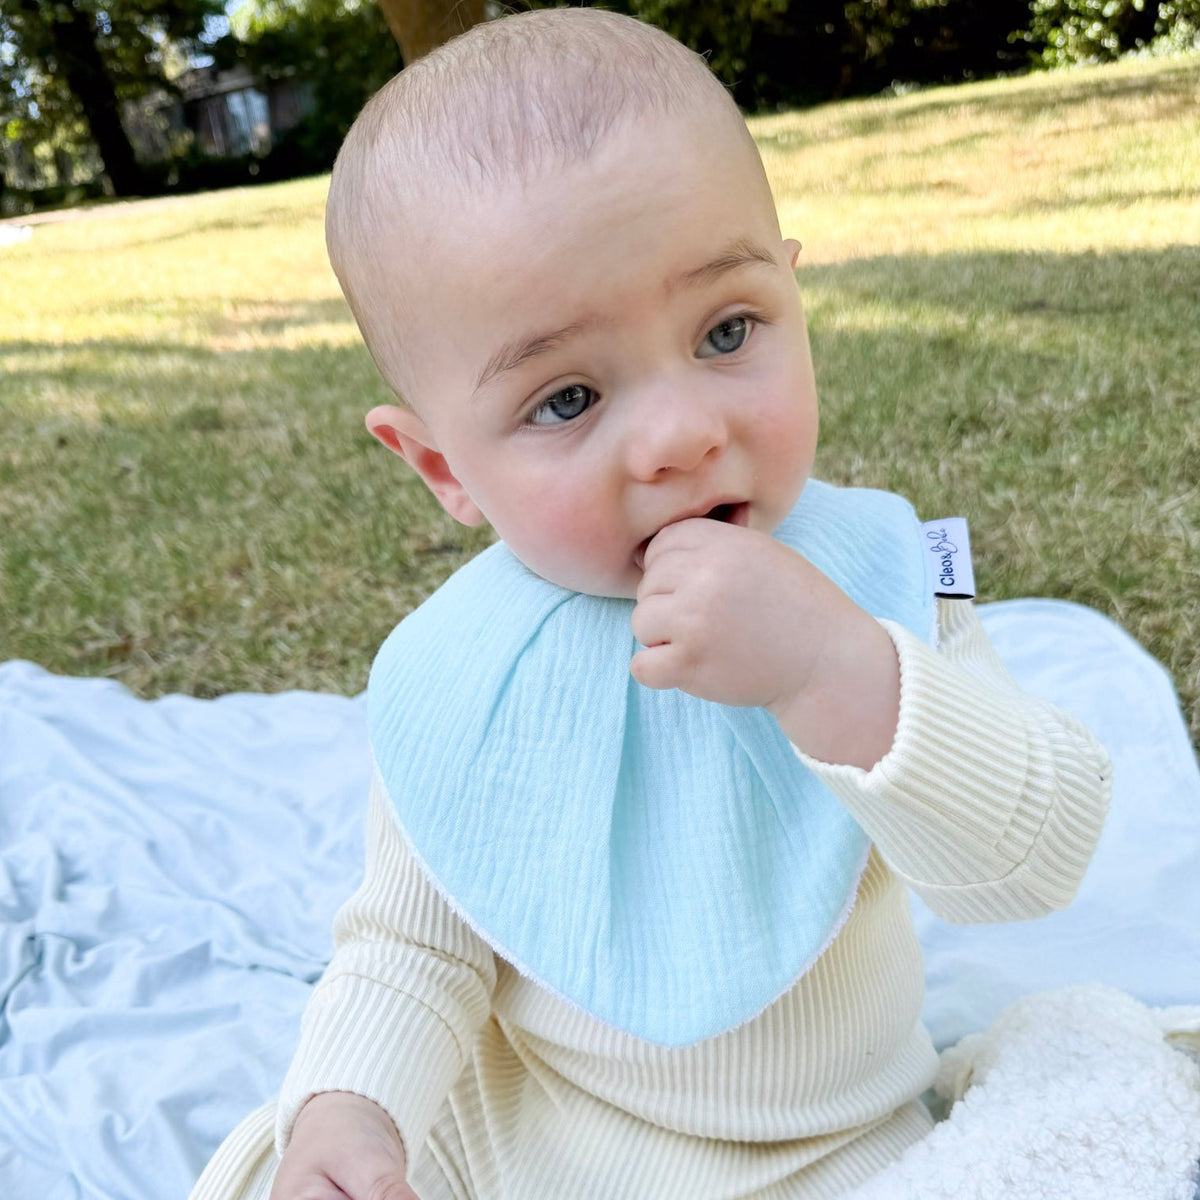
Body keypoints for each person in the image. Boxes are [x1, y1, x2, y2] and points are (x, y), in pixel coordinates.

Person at [190, 9, 1111, 1199]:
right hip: (531, 1142)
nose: (680, 434)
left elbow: (1034, 859)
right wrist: (350, 1119)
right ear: (445, 471)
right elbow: (414, 949)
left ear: (793, 289)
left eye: (728, 330)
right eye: (567, 399)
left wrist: (841, 671)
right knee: (273, 1166)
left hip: (835, 1146)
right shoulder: (470, 675)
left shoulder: (886, 576)